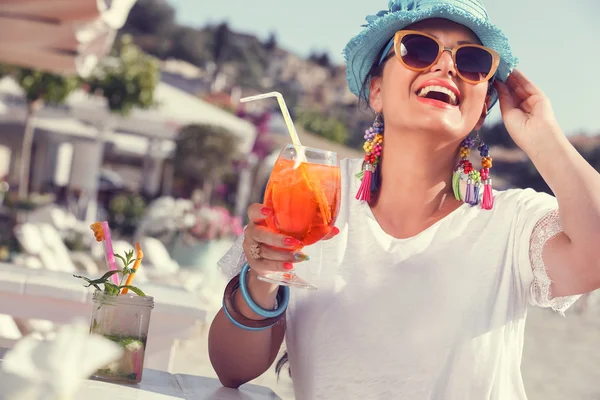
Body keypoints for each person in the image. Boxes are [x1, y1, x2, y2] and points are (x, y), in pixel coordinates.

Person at [208, 1, 600, 398]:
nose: (446, 66)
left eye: (472, 61)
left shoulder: (513, 223)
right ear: (376, 90)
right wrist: (261, 278)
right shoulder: (317, 191)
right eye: (418, 49)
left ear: (483, 110)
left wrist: (542, 134)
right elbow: (231, 370)